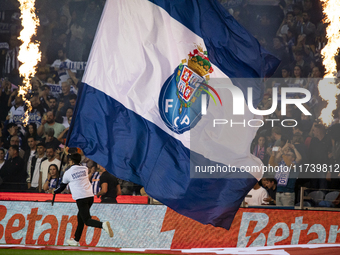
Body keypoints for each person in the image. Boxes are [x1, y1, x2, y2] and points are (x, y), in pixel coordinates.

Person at [53, 153, 114, 246]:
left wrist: (55, 192)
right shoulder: (85, 169)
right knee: (80, 218)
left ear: (71, 161)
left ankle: (102, 225)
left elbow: (62, 187)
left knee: (86, 220)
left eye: (69, 160)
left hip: (81, 198)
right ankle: (76, 240)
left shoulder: (68, 173)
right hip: (90, 196)